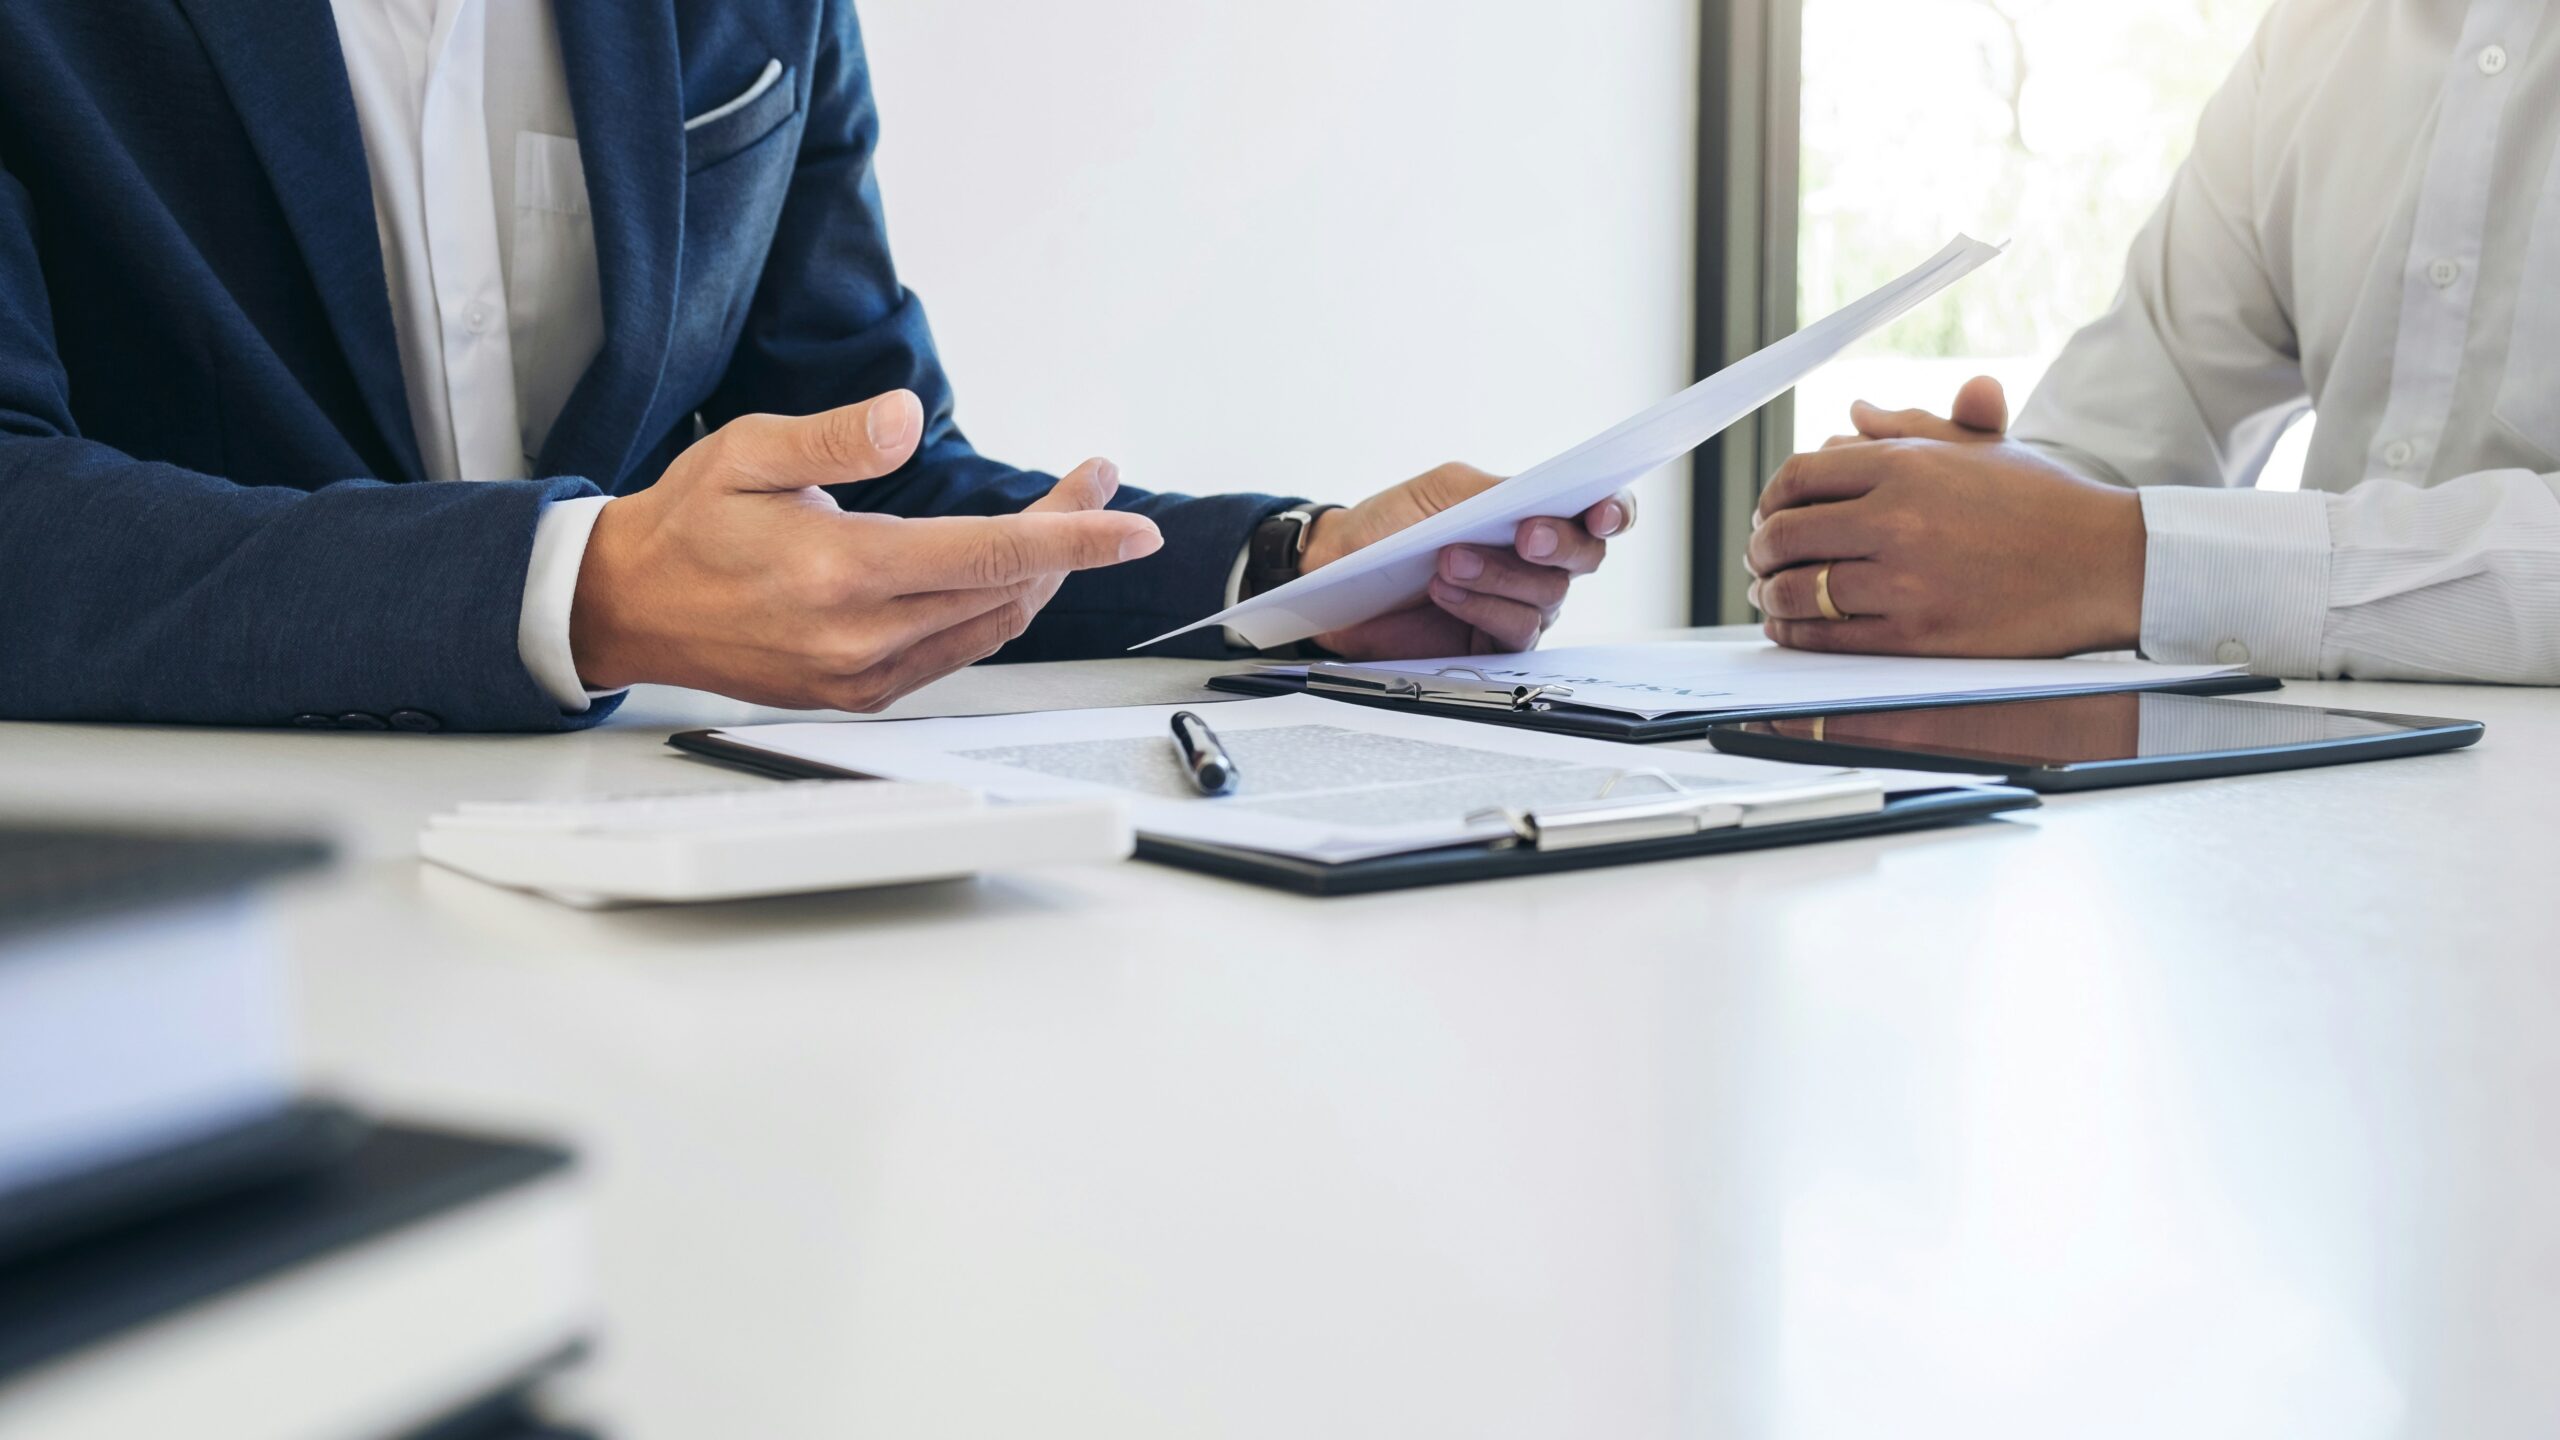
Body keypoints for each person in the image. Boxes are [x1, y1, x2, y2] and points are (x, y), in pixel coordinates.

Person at [0, 2, 1631, 733]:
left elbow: (874, 483)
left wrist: (1297, 573)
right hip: (161, 926)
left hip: (664, 923)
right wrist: (578, 587)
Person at [1749, 0, 2560, 686]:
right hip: (2317, 787)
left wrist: (2124, 562)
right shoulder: (2312, 37)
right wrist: (1943, 516)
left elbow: (2094, 546)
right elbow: (2141, 411)